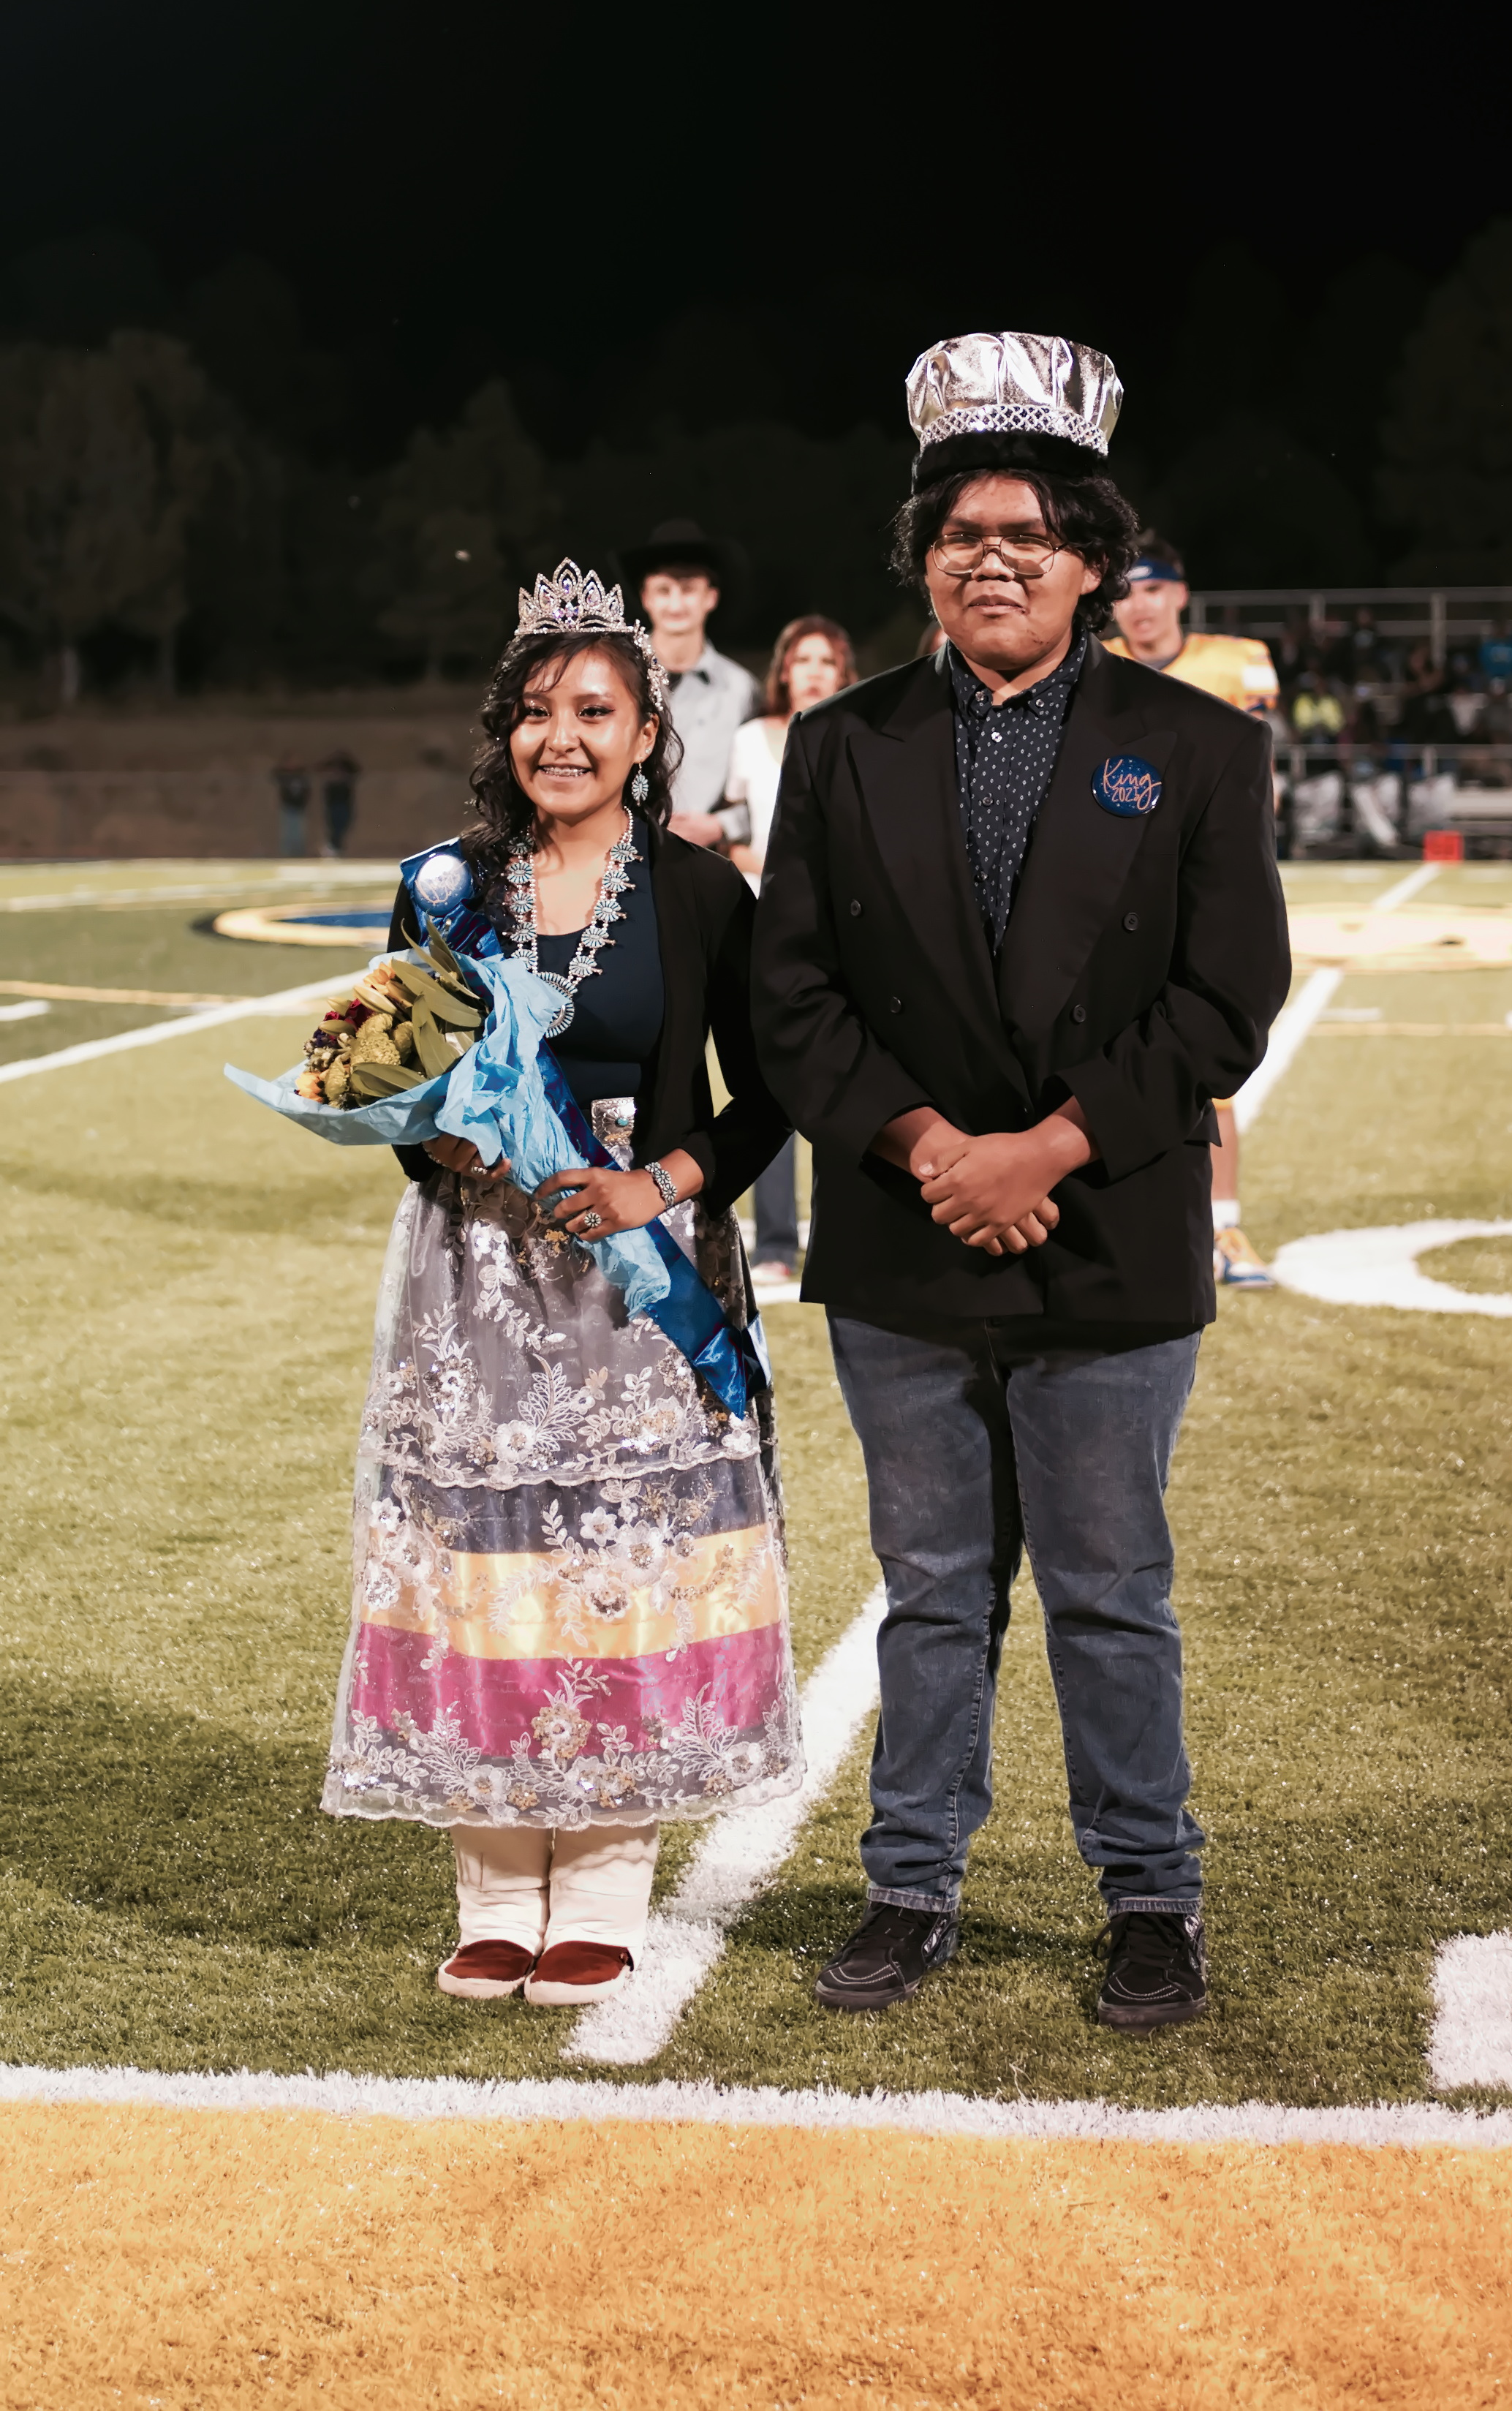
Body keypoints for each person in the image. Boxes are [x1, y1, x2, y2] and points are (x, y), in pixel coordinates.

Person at [753, 329, 1290, 2031]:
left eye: (1030, 535)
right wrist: (933, 1151)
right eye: (960, 532)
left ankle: (1150, 1898)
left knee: (1109, 1595)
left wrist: (1047, 1147)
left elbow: (1228, 996)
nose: (992, 558)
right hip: (906, 1236)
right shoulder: (839, 743)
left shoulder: (1197, 744)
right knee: (928, 1593)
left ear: (1091, 561)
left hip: (1103, 1230)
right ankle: (910, 1883)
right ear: (923, 556)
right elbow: (791, 994)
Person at [322, 561, 801, 2010]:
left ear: (647, 733)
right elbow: (390, 1084)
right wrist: (437, 1139)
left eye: (595, 710)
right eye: (537, 711)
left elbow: (774, 1089)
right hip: (476, 1279)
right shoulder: (444, 888)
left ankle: (598, 1890)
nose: (563, 738)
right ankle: (492, 1892)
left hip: (637, 1288)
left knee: (620, 1569)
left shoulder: (702, 891)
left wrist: (661, 1183)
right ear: (506, 730)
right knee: (485, 1569)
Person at [1107, 533, 1283, 1291]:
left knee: (1211, 1055)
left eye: (1152, 588)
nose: (1139, 606)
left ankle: (1224, 1226)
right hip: (1116, 886)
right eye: (1124, 591)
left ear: (1179, 593)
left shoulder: (1237, 661)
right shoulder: (1095, 668)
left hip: (1205, 884)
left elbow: (1261, 779)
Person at [729, 614, 858, 1280]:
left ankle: (843, 1230)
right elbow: (734, 828)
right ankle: (776, 1242)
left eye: (825, 660)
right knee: (771, 1077)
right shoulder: (751, 738)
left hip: (843, 925)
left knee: (841, 1075)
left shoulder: (861, 733)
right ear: (783, 669)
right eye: (801, 659)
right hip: (765, 920)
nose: (812, 671)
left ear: (844, 671)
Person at [621, 519, 757, 848]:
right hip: (619, 851)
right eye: (664, 591)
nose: (676, 604)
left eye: (688, 590)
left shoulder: (742, 690)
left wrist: (721, 825)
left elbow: (767, 783)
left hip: (704, 858)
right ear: (646, 598)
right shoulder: (616, 676)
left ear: (711, 597)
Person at [319, 750, 360, 856]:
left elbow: (357, 770)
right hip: (333, 804)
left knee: (343, 825)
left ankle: (336, 847)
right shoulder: (329, 774)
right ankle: (333, 847)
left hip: (344, 803)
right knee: (334, 826)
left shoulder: (347, 770)